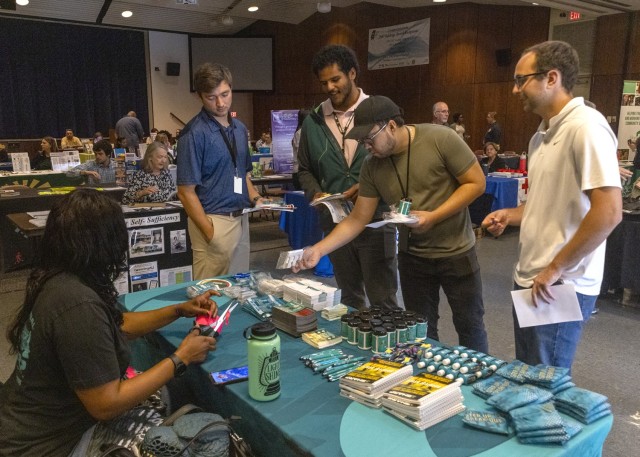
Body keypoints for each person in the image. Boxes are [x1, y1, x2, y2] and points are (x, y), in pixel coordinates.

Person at [0, 188, 218, 456]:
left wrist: (178, 310)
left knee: (166, 396)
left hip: (31, 424)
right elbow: (106, 404)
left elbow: (117, 325)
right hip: (50, 446)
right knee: (184, 439)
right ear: (105, 243)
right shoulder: (76, 303)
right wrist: (181, 358)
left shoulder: (60, 280)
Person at [295, 95, 489, 351]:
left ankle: (478, 382)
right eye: (362, 141)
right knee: (421, 332)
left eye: (370, 138)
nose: (366, 146)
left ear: (392, 126)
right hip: (413, 258)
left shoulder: (440, 139)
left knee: (470, 325)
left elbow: (476, 183)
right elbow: (358, 218)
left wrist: (434, 216)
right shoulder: (372, 166)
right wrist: (319, 250)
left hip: (456, 252)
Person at [482, 41, 622, 369]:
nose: (515, 90)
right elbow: (544, 204)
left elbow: (610, 211)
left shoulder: (586, 126)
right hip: (533, 276)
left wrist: (555, 268)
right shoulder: (540, 135)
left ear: (551, 78)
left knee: (547, 386)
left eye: (521, 80)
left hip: (560, 283)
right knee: (529, 376)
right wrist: (511, 215)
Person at [297, 45, 399, 311]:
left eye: (335, 79)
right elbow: (304, 169)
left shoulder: (379, 110)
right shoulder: (313, 120)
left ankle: (388, 353)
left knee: (383, 300)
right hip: (335, 222)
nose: (330, 87)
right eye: (324, 82)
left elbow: (396, 158)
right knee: (349, 300)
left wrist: (366, 187)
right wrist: (316, 194)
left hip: (376, 221)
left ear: (352, 73)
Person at [177, 63, 263, 279]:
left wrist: (256, 197)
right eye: (211, 97)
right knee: (209, 297)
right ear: (200, 96)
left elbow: (243, 173)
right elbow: (185, 191)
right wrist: (210, 232)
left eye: (225, 94)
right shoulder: (194, 133)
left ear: (231, 89)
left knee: (239, 290)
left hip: (241, 218)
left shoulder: (240, 129)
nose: (220, 103)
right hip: (213, 221)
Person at [291, 108, 311, 189]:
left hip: (307, 172)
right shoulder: (300, 133)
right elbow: (302, 153)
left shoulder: (308, 131)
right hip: (300, 172)